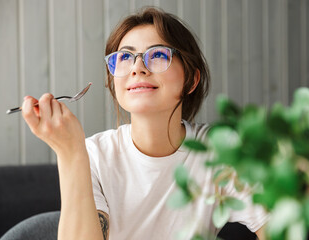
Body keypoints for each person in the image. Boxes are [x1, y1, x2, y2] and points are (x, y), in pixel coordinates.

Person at [21, 7, 268, 240]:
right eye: (125, 57)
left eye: (158, 54)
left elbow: (283, 228)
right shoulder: (94, 155)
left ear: (191, 79)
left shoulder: (219, 149)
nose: (138, 68)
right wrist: (71, 153)